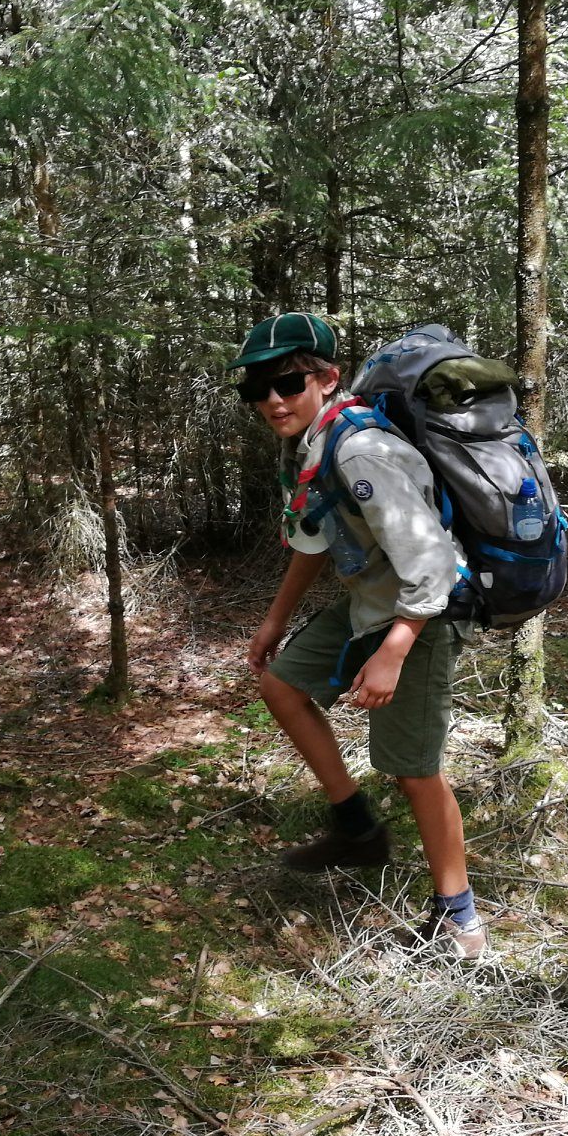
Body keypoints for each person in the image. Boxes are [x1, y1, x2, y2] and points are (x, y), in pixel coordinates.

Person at [232, 312, 486, 957]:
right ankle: (356, 828)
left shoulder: (361, 449)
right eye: (256, 390)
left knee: (413, 771)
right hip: (370, 606)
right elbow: (312, 540)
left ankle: (461, 922)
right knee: (284, 684)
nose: (272, 401)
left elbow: (433, 565)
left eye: (287, 383)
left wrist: (394, 653)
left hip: (419, 618)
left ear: (326, 378)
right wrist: (274, 621)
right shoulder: (320, 445)